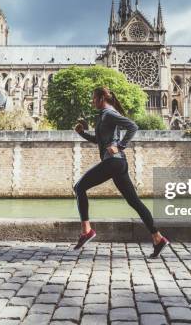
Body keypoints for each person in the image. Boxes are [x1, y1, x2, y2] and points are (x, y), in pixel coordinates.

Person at [72, 86, 170, 258]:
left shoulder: (109, 113)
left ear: (102, 98)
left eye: (94, 98)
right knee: (135, 202)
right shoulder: (104, 115)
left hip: (114, 162)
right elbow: (100, 141)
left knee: (79, 187)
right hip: (118, 164)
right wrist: (83, 134)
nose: (92, 101)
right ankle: (158, 238)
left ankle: (86, 231)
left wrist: (120, 146)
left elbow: (133, 126)